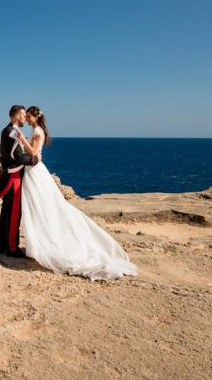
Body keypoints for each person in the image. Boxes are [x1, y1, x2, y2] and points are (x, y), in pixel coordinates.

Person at [14, 106, 138, 281]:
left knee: (41, 206)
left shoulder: (36, 131)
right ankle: (38, 244)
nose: (26, 119)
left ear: (35, 117)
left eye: (28, 116)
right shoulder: (37, 129)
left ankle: (47, 244)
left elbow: (33, 152)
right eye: (25, 116)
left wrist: (21, 139)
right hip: (33, 171)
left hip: (34, 172)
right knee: (37, 207)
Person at [0, 105, 39, 257]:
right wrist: (34, 160)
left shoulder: (3, 130)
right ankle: (12, 248)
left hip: (6, 174)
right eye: (22, 115)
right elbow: (19, 157)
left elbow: (0, 151)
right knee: (13, 212)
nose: (24, 118)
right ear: (15, 116)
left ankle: (2, 244)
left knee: (6, 211)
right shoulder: (13, 132)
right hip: (13, 178)